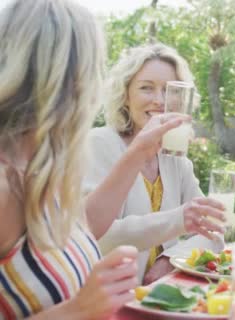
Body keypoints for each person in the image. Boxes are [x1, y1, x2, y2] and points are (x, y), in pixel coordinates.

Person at [0, 0, 138, 318]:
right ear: (72, 77)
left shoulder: (49, 165)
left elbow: (85, 226)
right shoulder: (5, 185)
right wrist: (77, 310)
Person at [84, 43, 225, 284]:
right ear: (125, 95)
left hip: (161, 300)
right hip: (108, 299)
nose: (159, 100)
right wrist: (178, 221)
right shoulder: (98, 144)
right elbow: (96, 234)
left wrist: (170, 259)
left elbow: (214, 231)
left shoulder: (176, 158)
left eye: (169, 90)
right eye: (146, 88)